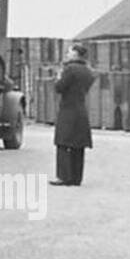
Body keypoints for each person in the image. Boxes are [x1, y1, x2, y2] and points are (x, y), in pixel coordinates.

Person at [51, 42, 96, 186]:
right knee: (78, 145)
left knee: (63, 143)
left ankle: (63, 176)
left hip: (68, 109)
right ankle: (76, 178)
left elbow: (59, 88)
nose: (67, 55)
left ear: (76, 54)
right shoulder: (88, 71)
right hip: (81, 110)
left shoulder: (69, 69)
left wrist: (58, 76)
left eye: (69, 52)